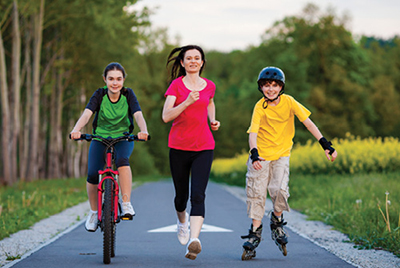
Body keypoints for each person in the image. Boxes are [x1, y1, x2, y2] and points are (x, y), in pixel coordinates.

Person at [241, 66, 337, 260]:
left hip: (281, 155)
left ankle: (276, 221)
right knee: (256, 192)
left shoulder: (289, 102)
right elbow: (253, 132)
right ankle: (255, 232)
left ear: (281, 87)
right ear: (261, 87)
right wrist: (254, 153)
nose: (271, 89)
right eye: (266, 85)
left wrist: (325, 143)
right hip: (260, 156)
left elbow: (308, 123)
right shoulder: (260, 106)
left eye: (275, 85)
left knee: (280, 190)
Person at [70, 62, 149, 232]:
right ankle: (93, 212)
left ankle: (126, 203)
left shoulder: (128, 95)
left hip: (123, 137)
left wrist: (144, 130)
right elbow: (87, 114)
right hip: (99, 137)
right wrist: (76, 130)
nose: (115, 83)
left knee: (122, 160)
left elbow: (138, 115)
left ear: (123, 80)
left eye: (119, 79)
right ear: (105, 79)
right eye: (111, 79)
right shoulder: (99, 94)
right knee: (92, 173)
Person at [162, 45, 220, 260]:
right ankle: (182, 222)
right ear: (183, 63)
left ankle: (194, 240)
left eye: (197, 58)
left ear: (202, 62)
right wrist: (186, 101)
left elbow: (210, 103)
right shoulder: (176, 86)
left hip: (204, 146)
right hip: (178, 147)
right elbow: (166, 116)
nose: (193, 61)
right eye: (189, 58)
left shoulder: (210, 86)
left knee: (198, 195)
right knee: (181, 197)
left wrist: (212, 119)